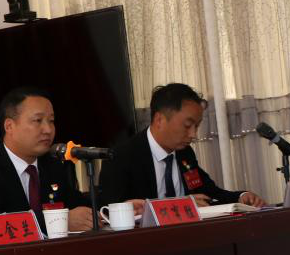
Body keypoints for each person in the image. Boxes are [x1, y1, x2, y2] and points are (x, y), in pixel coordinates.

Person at [99, 83, 266, 213]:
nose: (193, 134)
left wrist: (241, 197)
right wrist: (182, 205)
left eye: (197, 126)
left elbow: (208, 193)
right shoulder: (121, 156)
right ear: (159, 120)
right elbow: (110, 211)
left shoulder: (184, 153)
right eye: (187, 125)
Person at [0, 87, 94, 231]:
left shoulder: (53, 165)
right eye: (38, 120)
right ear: (9, 126)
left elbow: (76, 204)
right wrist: (60, 220)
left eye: (51, 121)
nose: (48, 129)